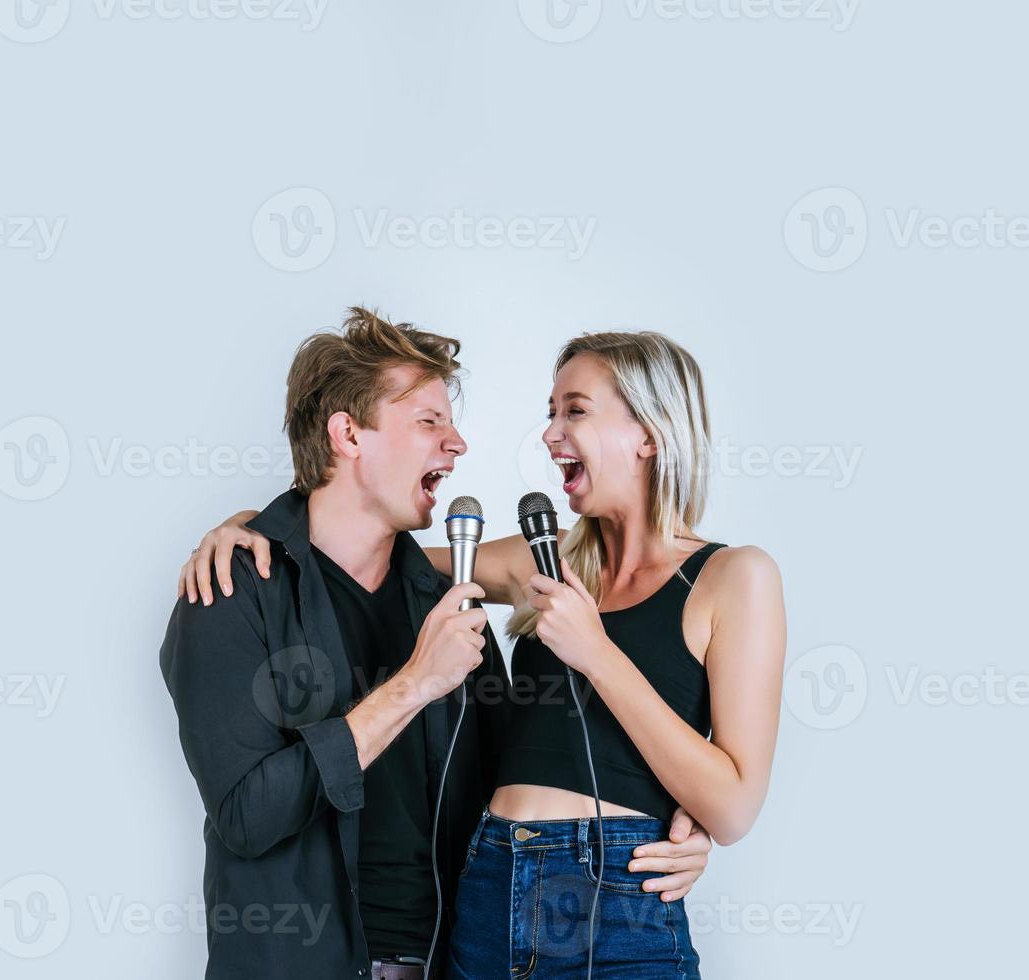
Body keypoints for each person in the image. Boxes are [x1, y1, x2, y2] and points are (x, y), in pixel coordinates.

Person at [179, 329, 783, 978]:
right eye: (550, 412)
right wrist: (246, 528)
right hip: (487, 885)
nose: (550, 434)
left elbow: (734, 805)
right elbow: (354, 549)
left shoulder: (734, 578)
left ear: (650, 433)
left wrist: (597, 654)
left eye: (574, 411)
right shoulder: (546, 563)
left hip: (616, 897)